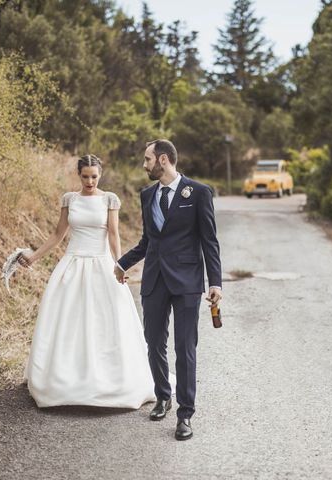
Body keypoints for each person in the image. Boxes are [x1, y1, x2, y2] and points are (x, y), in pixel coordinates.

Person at [18, 154, 155, 409]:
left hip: (102, 265)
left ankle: (107, 377)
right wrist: (34, 257)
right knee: (67, 319)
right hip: (72, 265)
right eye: (85, 176)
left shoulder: (109, 200)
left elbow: (113, 235)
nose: (90, 181)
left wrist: (120, 264)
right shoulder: (70, 200)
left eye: (94, 176)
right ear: (78, 175)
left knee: (104, 319)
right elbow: (58, 234)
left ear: (100, 174)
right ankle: (62, 376)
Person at [114, 139, 222, 441]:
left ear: (163, 160)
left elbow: (209, 241)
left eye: (147, 159)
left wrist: (215, 282)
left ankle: (185, 414)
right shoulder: (147, 195)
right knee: (154, 342)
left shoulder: (198, 192)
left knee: (185, 349)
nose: (144, 165)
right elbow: (149, 241)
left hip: (187, 283)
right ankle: (163, 396)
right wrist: (123, 264)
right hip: (154, 280)